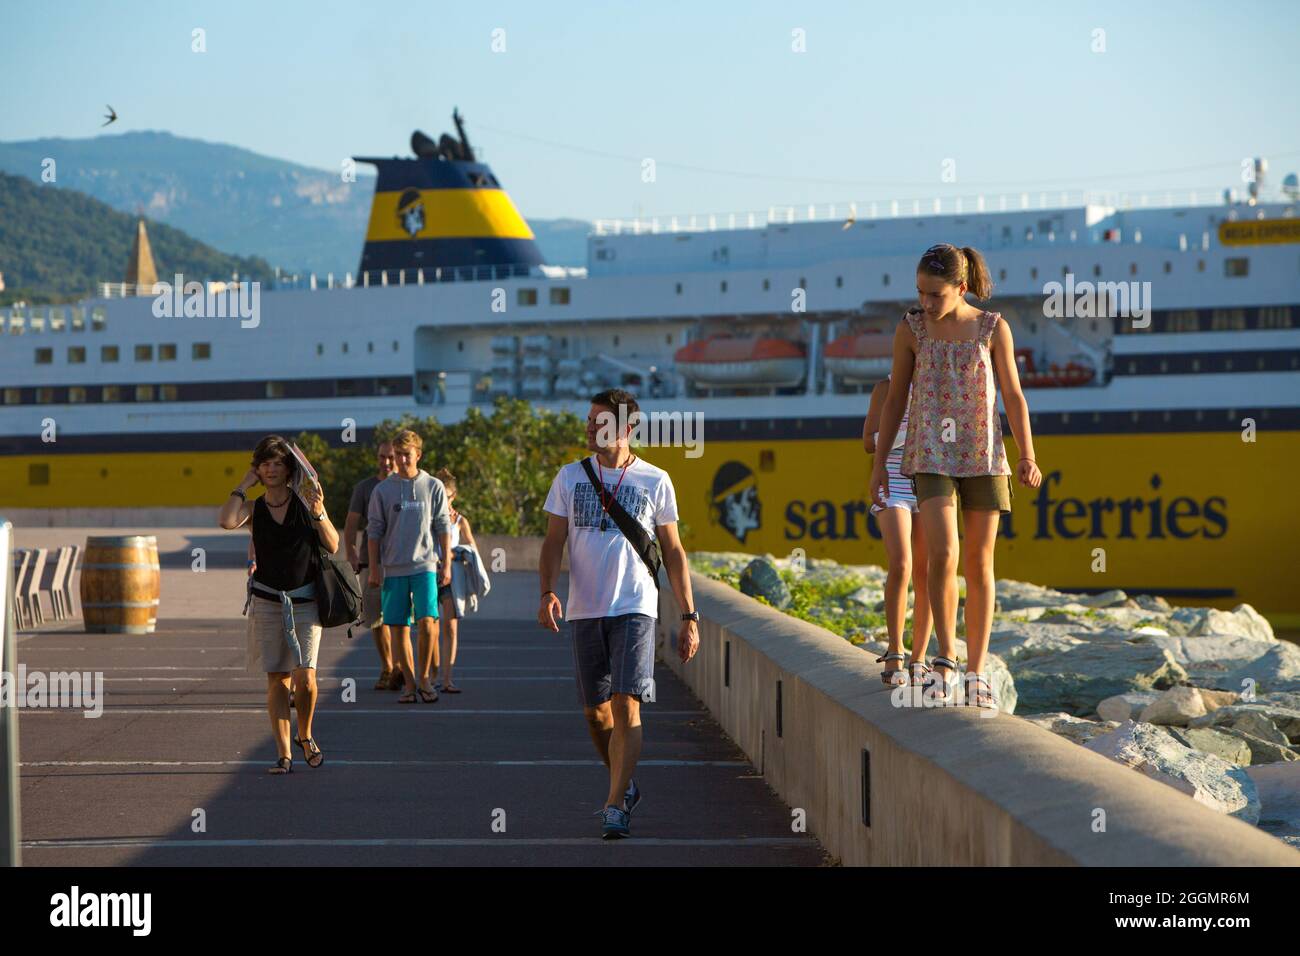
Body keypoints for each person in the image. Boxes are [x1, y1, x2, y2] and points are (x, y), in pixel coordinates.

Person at [870, 243, 1042, 709]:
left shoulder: (992, 328)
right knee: (943, 555)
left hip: (985, 456)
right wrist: (879, 464)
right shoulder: (911, 330)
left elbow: (1014, 395)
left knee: (979, 564)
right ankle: (945, 660)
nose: (925, 303)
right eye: (920, 293)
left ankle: (976, 671)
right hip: (929, 457)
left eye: (935, 294)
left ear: (961, 288)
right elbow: (893, 400)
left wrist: (1027, 455)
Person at [538, 388, 699, 839]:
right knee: (596, 714)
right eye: (588, 420)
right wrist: (547, 590)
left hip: (635, 607)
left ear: (627, 429)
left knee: (628, 704)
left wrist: (690, 616)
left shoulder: (655, 479)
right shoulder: (569, 478)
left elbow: (673, 551)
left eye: (600, 422)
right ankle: (622, 780)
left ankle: (614, 806)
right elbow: (553, 542)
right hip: (584, 609)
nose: (590, 427)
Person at [219, 434, 339, 772]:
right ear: (258, 469)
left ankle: (306, 734)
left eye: (278, 463)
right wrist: (245, 483)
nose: (271, 469)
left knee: (307, 679)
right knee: (277, 679)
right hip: (268, 602)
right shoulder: (255, 508)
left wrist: (318, 513)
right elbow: (226, 520)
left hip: (305, 601)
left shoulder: (306, 502)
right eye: (265, 464)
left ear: (289, 469)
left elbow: (333, 545)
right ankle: (284, 753)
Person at [366, 429, 453, 704]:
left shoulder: (433, 486)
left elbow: (442, 526)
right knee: (397, 626)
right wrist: (375, 568)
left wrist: (447, 563)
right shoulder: (382, 490)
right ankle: (409, 683)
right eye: (398, 454)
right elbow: (374, 531)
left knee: (428, 622)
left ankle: (426, 679)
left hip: (425, 565)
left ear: (418, 454)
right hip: (393, 568)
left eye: (407, 454)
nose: (402, 460)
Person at [863, 374, 933, 688]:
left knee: (928, 571)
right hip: (892, 481)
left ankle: (920, 657)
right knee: (901, 563)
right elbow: (868, 441)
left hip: (930, 481)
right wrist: (908, 432)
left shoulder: (940, 385)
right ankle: (895, 649)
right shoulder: (885, 388)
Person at [344, 440, 400, 690]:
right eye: (382, 457)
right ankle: (387, 667)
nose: (386, 462)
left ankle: (402, 667)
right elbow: (352, 522)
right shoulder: (364, 487)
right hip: (370, 561)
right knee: (376, 620)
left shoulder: (408, 487)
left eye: (391, 457)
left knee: (400, 619)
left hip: (401, 563)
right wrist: (351, 553)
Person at [431, 467, 479, 694]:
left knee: (450, 626)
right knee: (428, 626)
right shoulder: (427, 517)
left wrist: (456, 553)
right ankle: (429, 675)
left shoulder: (460, 520)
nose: (443, 500)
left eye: (447, 496)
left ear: (453, 496)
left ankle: (447, 678)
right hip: (429, 573)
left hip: (452, 577)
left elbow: (473, 550)